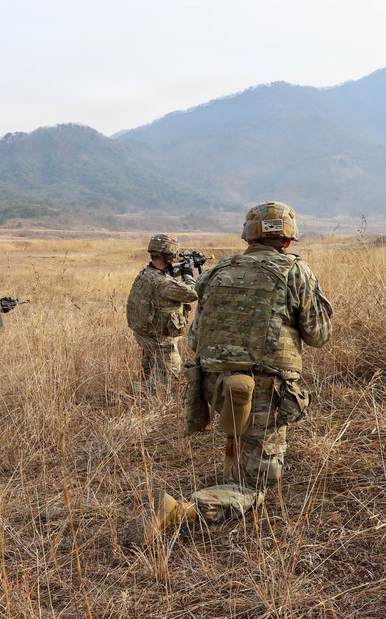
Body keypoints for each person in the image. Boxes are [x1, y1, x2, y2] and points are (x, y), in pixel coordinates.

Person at [128, 201, 333, 545]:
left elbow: (193, 336)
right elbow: (318, 335)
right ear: (287, 241)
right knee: (255, 487)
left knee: (240, 436)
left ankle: (232, 471)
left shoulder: (218, 270)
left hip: (214, 385)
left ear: (249, 236)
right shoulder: (295, 271)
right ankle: (182, 510)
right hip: (263, 390)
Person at [126, 233, 198, 389]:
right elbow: (192, 293)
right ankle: (136, 391)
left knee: (152, 361)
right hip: (160, 339)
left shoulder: (146, 273)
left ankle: (139, 386)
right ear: (170, 255)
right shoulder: (164, 283)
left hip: (145, 334)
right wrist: (188, 274)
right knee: (168, 379)